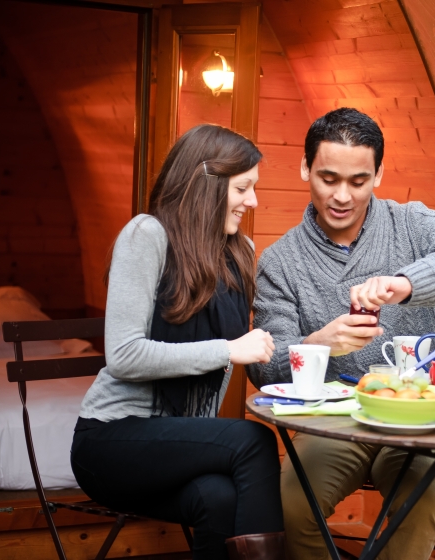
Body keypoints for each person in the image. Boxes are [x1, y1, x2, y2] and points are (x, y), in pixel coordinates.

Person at [248, 108, 435, 559]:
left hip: (414, 417)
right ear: (305, 168)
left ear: (379, 174)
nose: (342, 195)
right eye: (328, 178)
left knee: (424, 495)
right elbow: (264, 368)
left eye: (358, 181)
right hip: (331, 421)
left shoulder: (410, 224)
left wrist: (406, 284)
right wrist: (318, 343)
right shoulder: (280, 261)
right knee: (291, 502)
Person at [71, 124, 285, 560]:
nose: (254, 201)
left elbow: (260, 343)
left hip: (173, 443)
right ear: (207, 182)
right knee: (254, 442)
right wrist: (227, 350)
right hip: (110, 439)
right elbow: (125, 354)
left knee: (218, 499)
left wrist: (323, 341)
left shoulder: (238, 252)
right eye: (243, 188)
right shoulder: (146, 235)